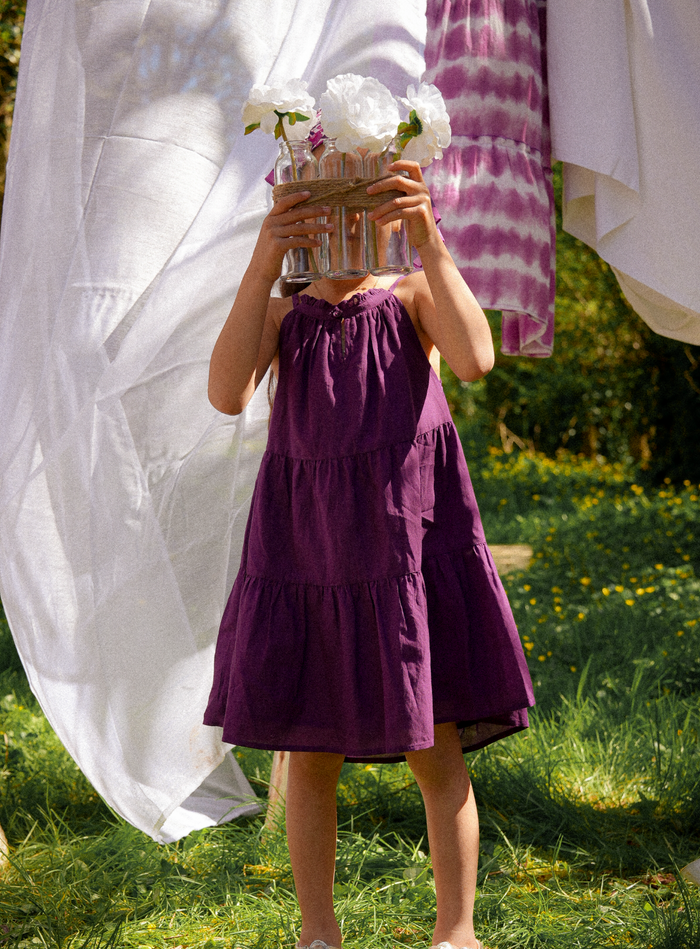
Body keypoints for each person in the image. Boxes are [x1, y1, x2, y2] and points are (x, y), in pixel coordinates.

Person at [204, 160, 535, 949]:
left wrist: (428, 235)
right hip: (311, 557)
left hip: (406, 556)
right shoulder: (287, 318)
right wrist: (262, 257)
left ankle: (456, 931)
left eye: (366, 210)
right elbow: (226, 392)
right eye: (327, 213)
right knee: (311, 750)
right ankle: (318, 932)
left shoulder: (414, 296)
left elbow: (477, 358)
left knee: (435, 744)